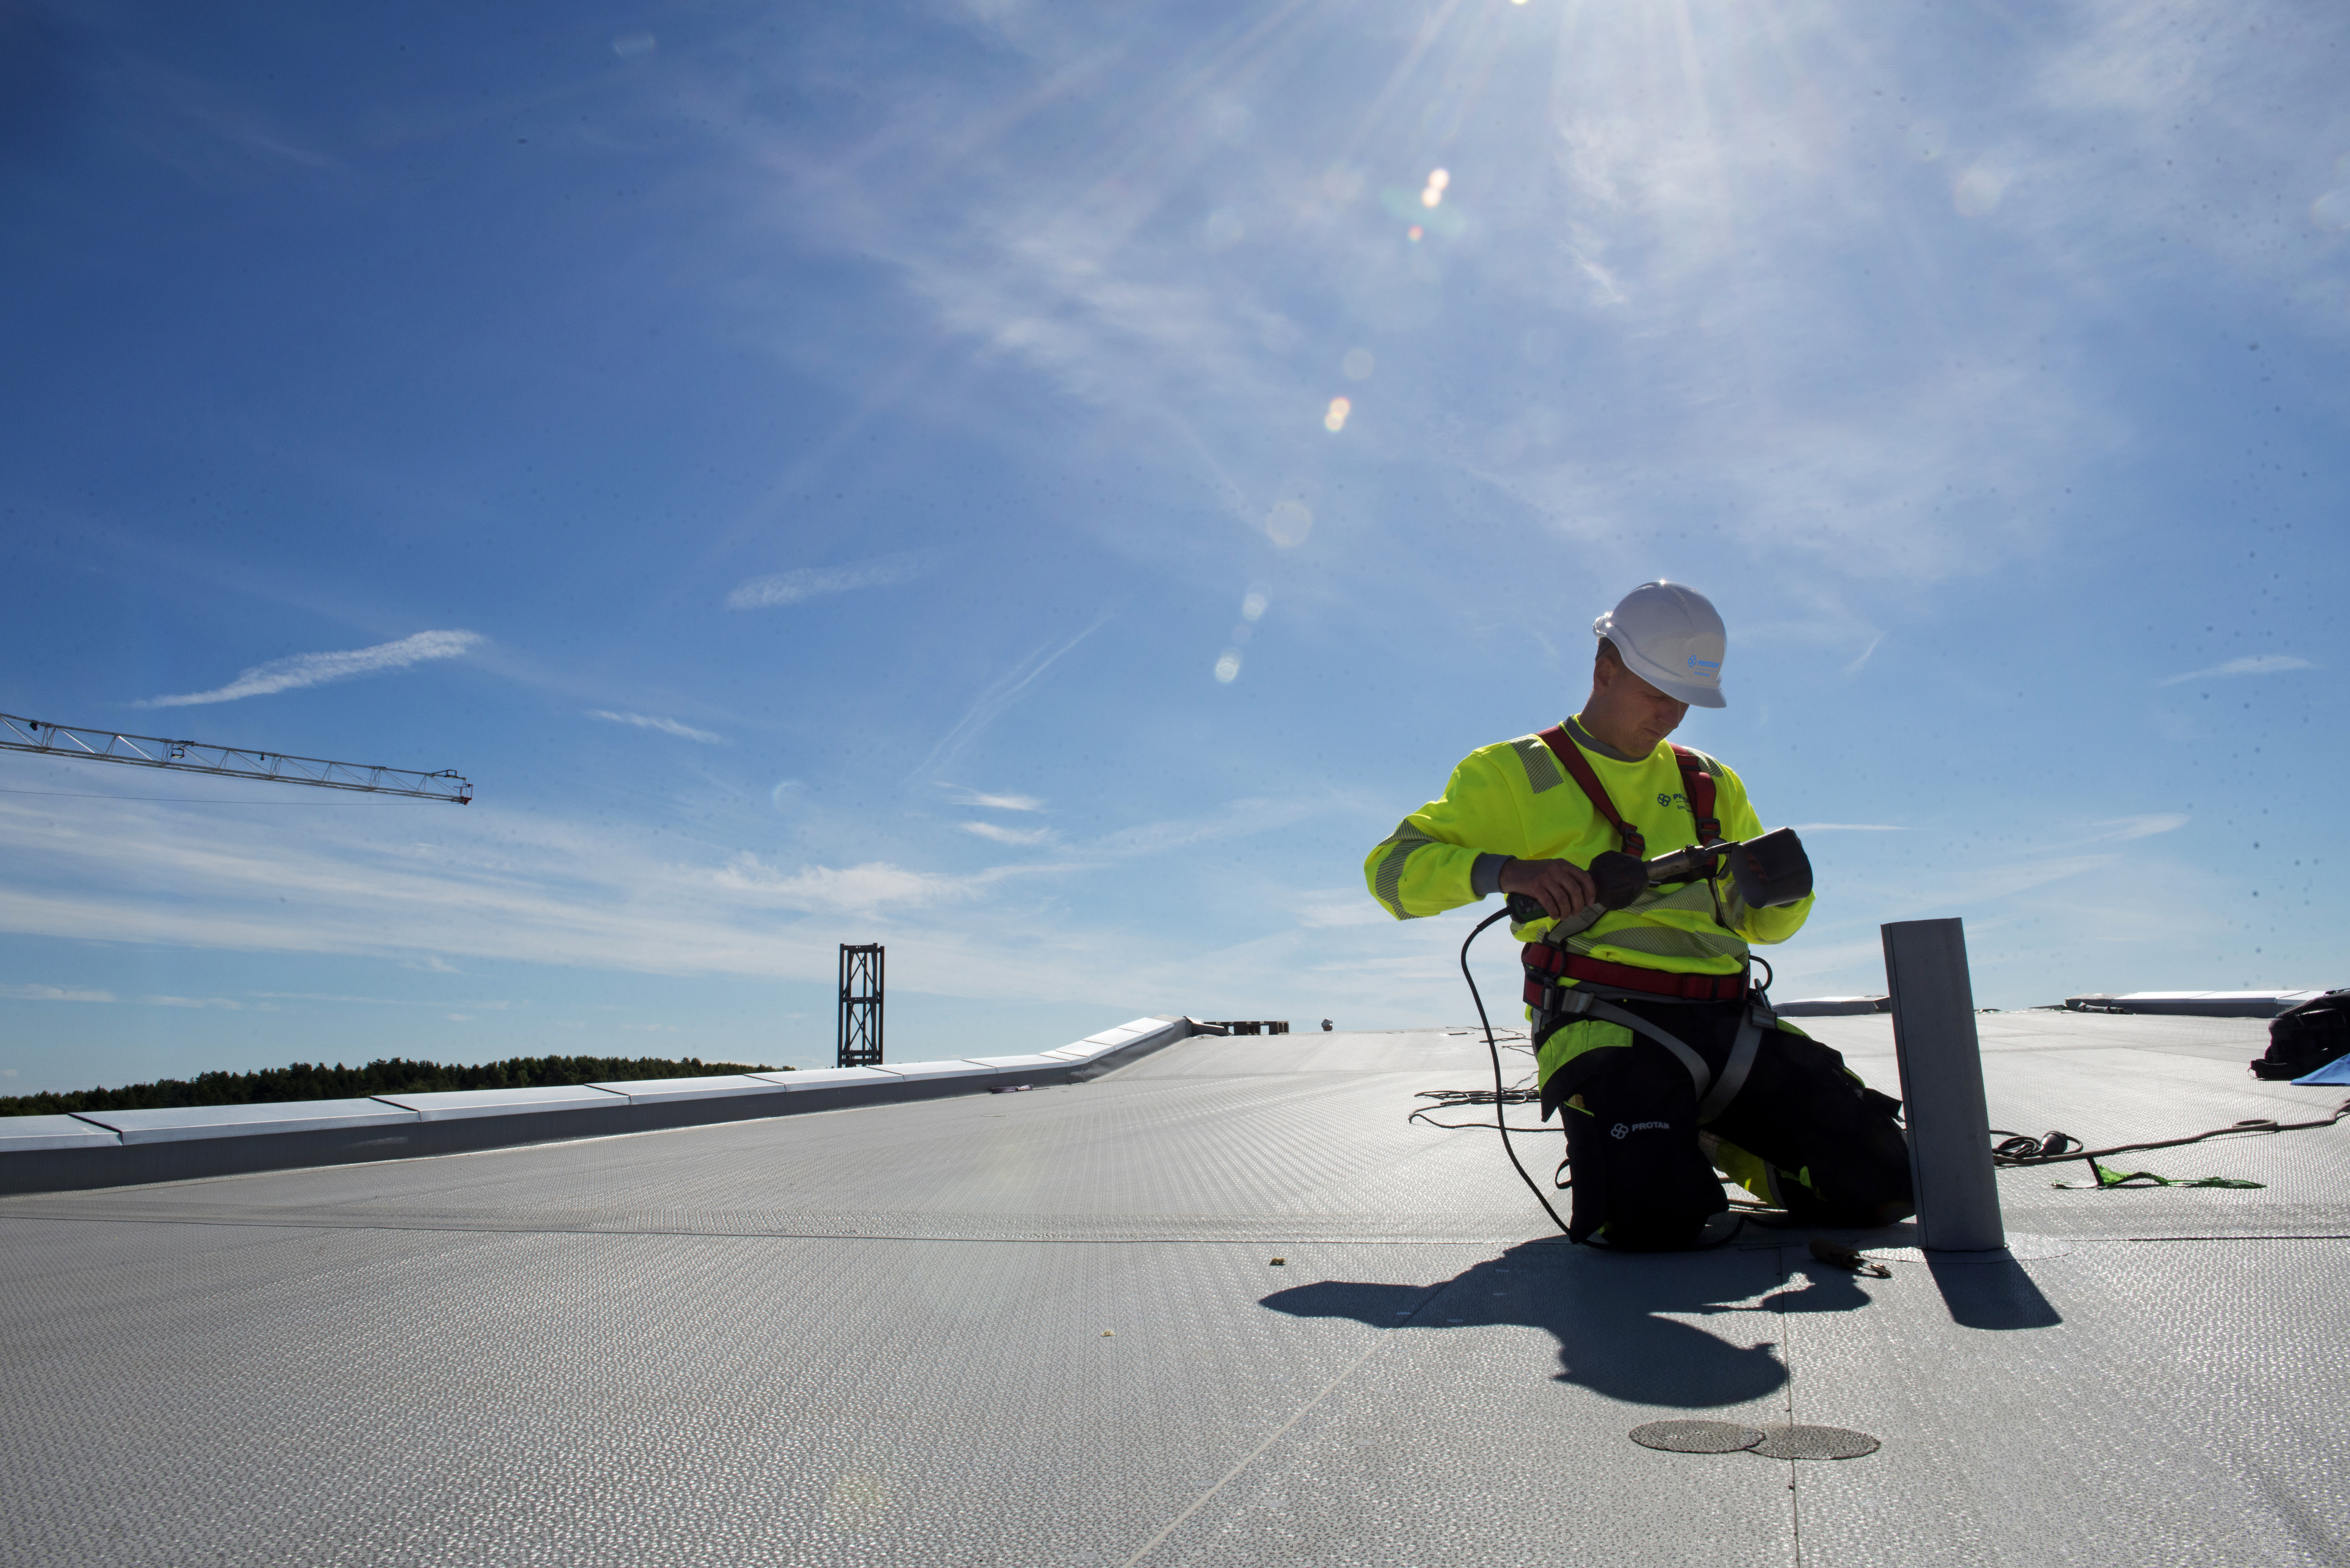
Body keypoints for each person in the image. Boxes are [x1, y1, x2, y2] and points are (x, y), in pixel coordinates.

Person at [1362, 581, 1912, 1248]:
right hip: (1607, 1024)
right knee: (1651, 1225)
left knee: (1886, 1184)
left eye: (1684, 698)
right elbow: (1390, 873)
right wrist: (1505, 871)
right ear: (1604, 670)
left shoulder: (1709, 780)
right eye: (1657, 693)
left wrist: (1787, 893)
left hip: (1729, 1023)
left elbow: (1760, 927)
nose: (1672, 714)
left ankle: (1699, 1131)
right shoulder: (1513, 773)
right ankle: (1659, 1150)